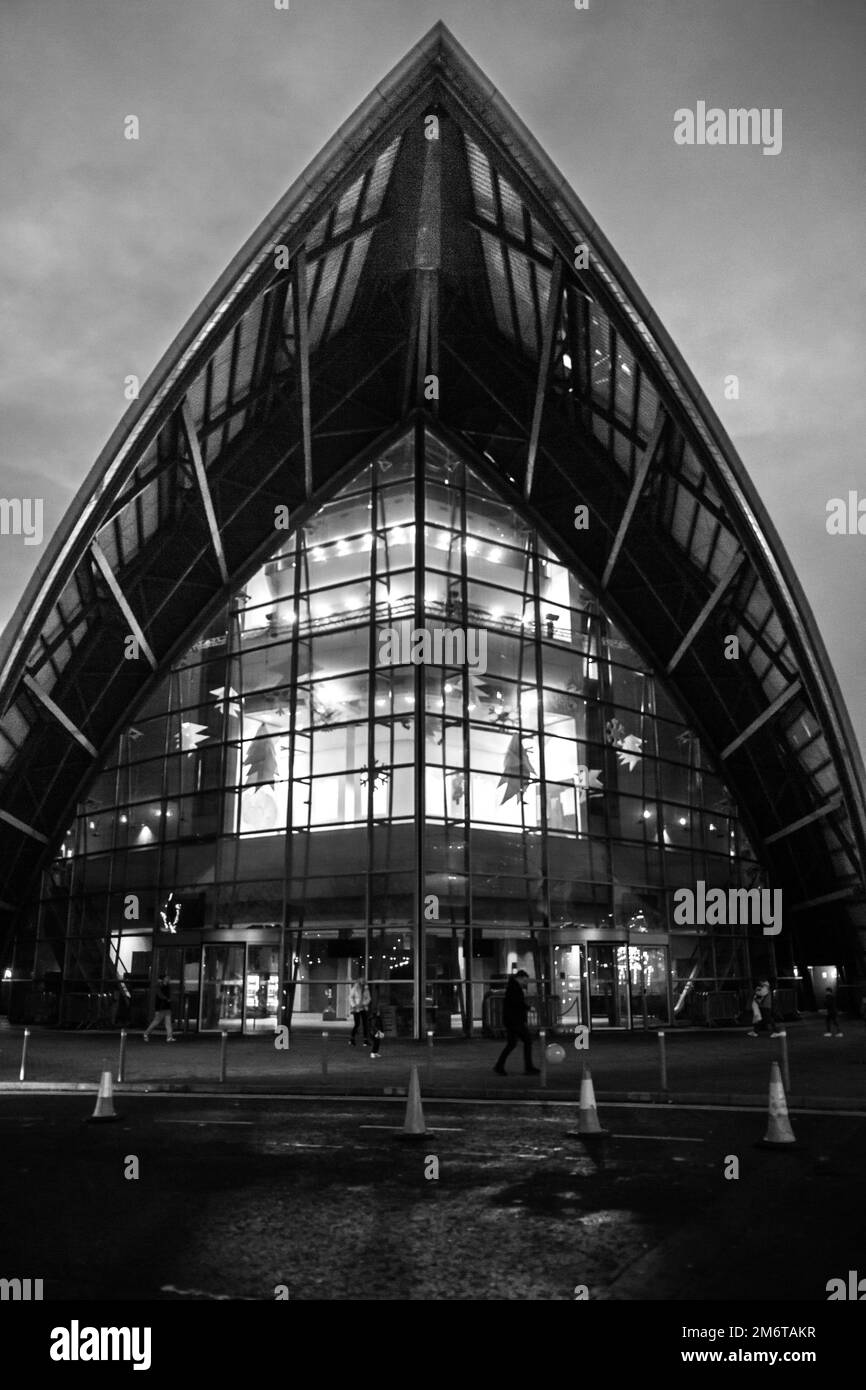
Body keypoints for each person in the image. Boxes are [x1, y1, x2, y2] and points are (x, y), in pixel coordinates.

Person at [493, 969, 540, 1076]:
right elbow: (517, 1003)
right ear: (520, 978)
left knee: (512, 1044)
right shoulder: (515, 988)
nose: (526, 982)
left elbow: (515, 1003)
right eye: (525, 980)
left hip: (511, 1020)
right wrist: (528, 1008)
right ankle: (528, 1067)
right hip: (515, 1021)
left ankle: (499, 1066)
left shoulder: (512, 986)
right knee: (527, 1041)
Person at [143, 973, 176, 1042]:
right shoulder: (159, 986)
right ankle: (146, 1033)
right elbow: (160, 995)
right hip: (161, 1007)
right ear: (164, 979)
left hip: (166, 1006)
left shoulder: (167, 986)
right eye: (167, 977)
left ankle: (169, 1037)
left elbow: (165, 995)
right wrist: (167, 999)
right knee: (156, 1022)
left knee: (167, 1022)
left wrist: (169, 999)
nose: (168, 979)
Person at [348, 977, 371, 1046]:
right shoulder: (354, 988)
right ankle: (352, 1039)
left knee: (365, 1024)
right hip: (356, 1009)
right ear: (358, 982)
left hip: (363, 1008)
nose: (362, 983)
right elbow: (350, 997)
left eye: (363, 982)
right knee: (357, 1024)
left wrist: (364, 1004)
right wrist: (354, 1005)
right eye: (361, 982)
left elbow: (369, 998)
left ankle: (365, 1040)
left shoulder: (366, 989)